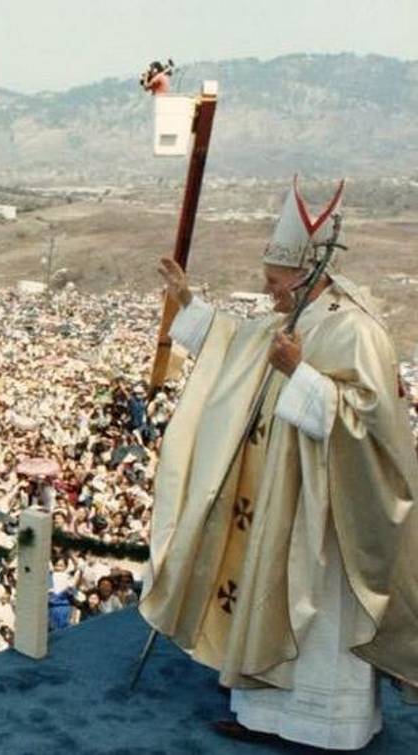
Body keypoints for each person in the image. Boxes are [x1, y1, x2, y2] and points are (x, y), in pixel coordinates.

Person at [141, 178, 418, 749]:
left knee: (314, 618)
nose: (267, 293)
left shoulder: (356, 330)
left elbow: (371, 426)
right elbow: (234, 342)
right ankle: (262, 714)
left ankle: (323, 726)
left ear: (306, 276)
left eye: (273, 283)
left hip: (324, 514)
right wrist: (188, 304)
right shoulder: (284, 322)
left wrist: (302, 375)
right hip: (273, 502)